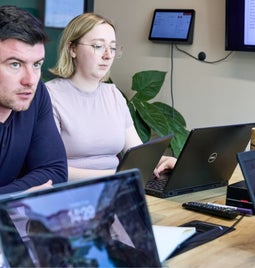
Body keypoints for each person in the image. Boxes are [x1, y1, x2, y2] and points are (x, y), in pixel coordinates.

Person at [46, 12, 176, 180]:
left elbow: (136, 154)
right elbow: (51, 170)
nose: (108, 55)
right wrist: (118, 175)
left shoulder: (113, 94)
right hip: (75, 193)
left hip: (120, 186)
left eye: (113, 48)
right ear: (72, 49)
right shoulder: (50, 96)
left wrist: (166, 161)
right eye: (98, 46)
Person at [0, 5, 68, 194]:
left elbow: (56, 171)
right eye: (15, 64)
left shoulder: (36, 94)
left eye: (37, 65)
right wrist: (19, 195)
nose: (30, 80)